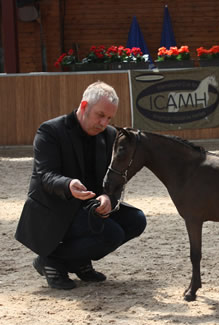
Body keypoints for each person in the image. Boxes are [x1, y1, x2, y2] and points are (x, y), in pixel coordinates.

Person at [15, 81, 146, 290]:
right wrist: (68, 185)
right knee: (112, 233)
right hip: (55, 210)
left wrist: (108, 198)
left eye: (109, 118)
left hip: (89, 209)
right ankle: (51, 259)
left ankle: (76, 260)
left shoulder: (111, 135)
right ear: (84, 106)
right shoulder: (50, 131)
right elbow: (45, 176)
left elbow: (114, 180)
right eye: (100, 115)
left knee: (136, 220)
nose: (104, 122)